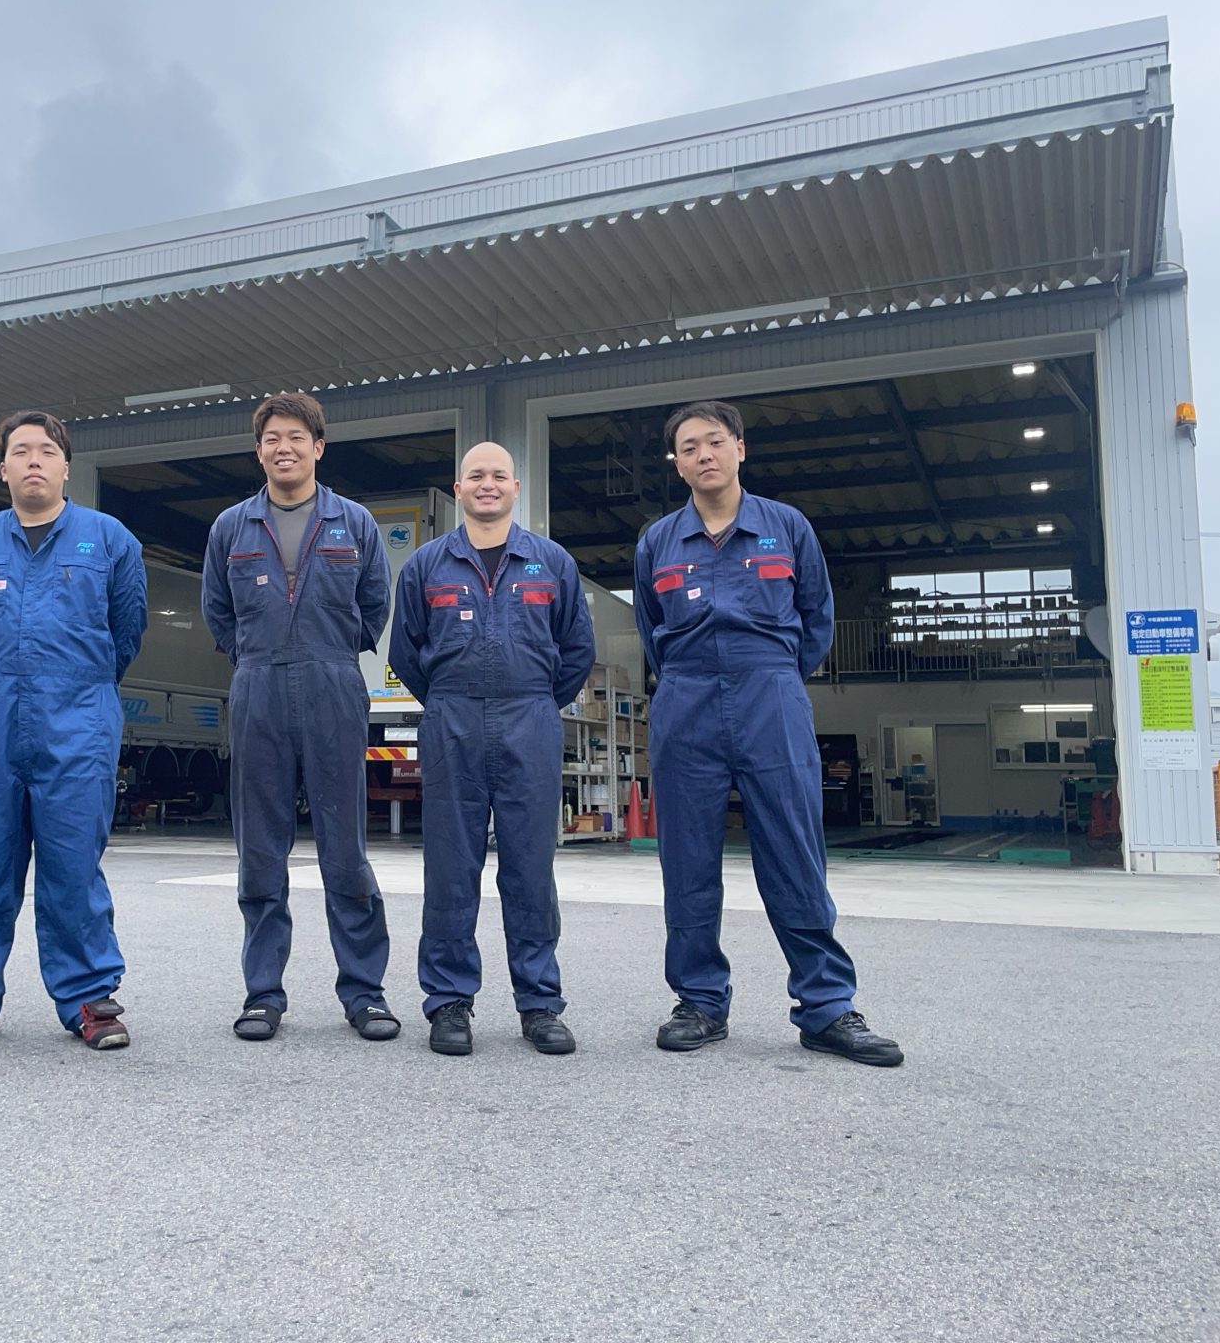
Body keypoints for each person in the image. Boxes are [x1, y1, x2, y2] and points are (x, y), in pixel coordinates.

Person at [633, 400, 903, 1067]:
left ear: (740, 449)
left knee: (794, 855)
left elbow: (817, 620)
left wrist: (771, 676)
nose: (703, 455)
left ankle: (827, 1007)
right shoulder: (657, 542)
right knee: (687, 862)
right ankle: (699, 1001)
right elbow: (651, 633)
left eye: (714, 441)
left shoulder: (787, 527)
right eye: (688, 448)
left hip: (770, 696)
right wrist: (698, 678)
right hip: (686, 699)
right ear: (677, 465)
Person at [0, 410, 147, 1050]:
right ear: (3, 468)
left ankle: (88, 999)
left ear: (66, 465)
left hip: (78, 719)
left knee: (72, 866)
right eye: (21, 451)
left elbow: (126, 630)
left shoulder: (108, 538)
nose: (34, 460)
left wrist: (78, 684)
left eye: (47, 450)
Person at [202, 392, 399, 1043]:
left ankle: (365, 994)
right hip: (257, 686)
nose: (283, 448)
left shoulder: (355, 523)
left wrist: (327, 652)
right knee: (260, 849)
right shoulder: (231, 527)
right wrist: (258, 655)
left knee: (345, 849)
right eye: (271, 438)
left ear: (318, 447)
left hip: (332, 683)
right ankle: (263, 994)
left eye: (295, 437)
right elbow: (217, 613)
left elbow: (374, 605)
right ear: (258, 451)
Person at [389, 442, 594, 1057]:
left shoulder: (552, 562)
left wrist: (535, 701)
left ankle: (539, 1003)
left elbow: (576, 652)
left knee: (530, 869)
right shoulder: (426, 565)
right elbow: (406, 653)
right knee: (450, 868)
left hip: (531, 717)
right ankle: (449, 1002)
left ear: (515, 487)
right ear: (458, 489)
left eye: (499, 475)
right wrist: (451, 701)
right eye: (475, 475)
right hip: (451, 718)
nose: (487, 484)